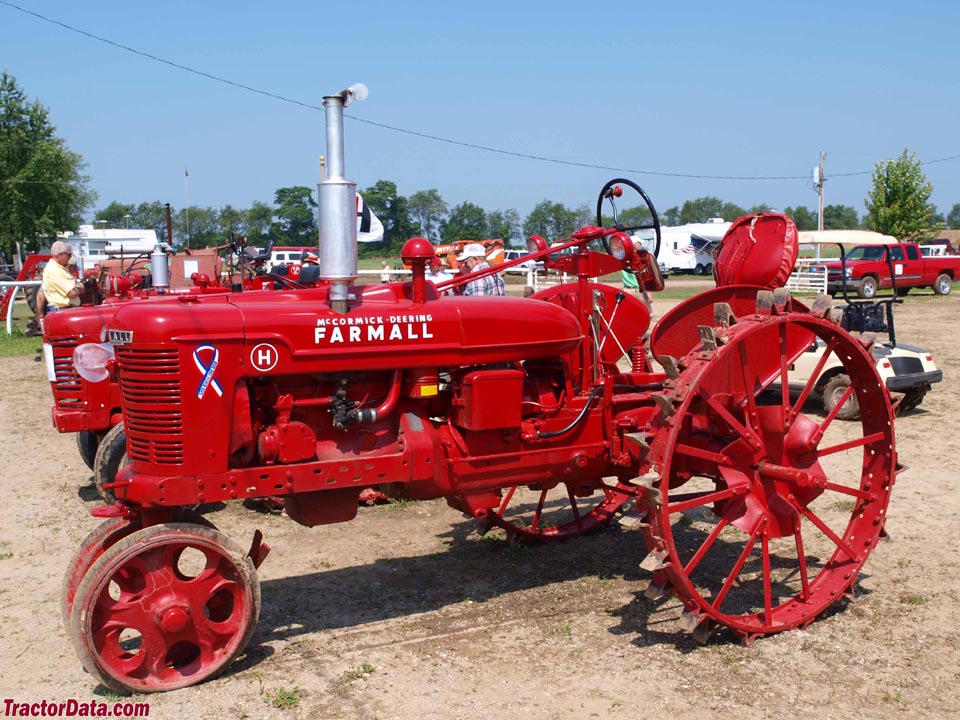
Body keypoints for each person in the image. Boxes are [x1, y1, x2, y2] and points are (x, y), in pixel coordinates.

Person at [36, 241, 81, 329]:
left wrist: (77, 288)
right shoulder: (55, 271)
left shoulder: (61, 269)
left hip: (66, 312)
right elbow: (72, 293)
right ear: (60, 255)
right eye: (68, 254)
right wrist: (79, 287)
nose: (70, 257)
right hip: (63, 314)